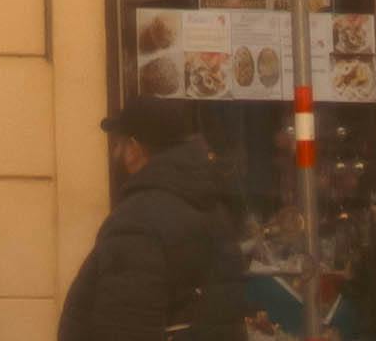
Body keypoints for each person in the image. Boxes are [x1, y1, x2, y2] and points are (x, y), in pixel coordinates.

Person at [57, 105, 245, 341]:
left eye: (119, 145)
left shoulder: (135, 220)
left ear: (135, 149)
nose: (116, 154)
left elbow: (126, 327)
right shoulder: (213, 209)